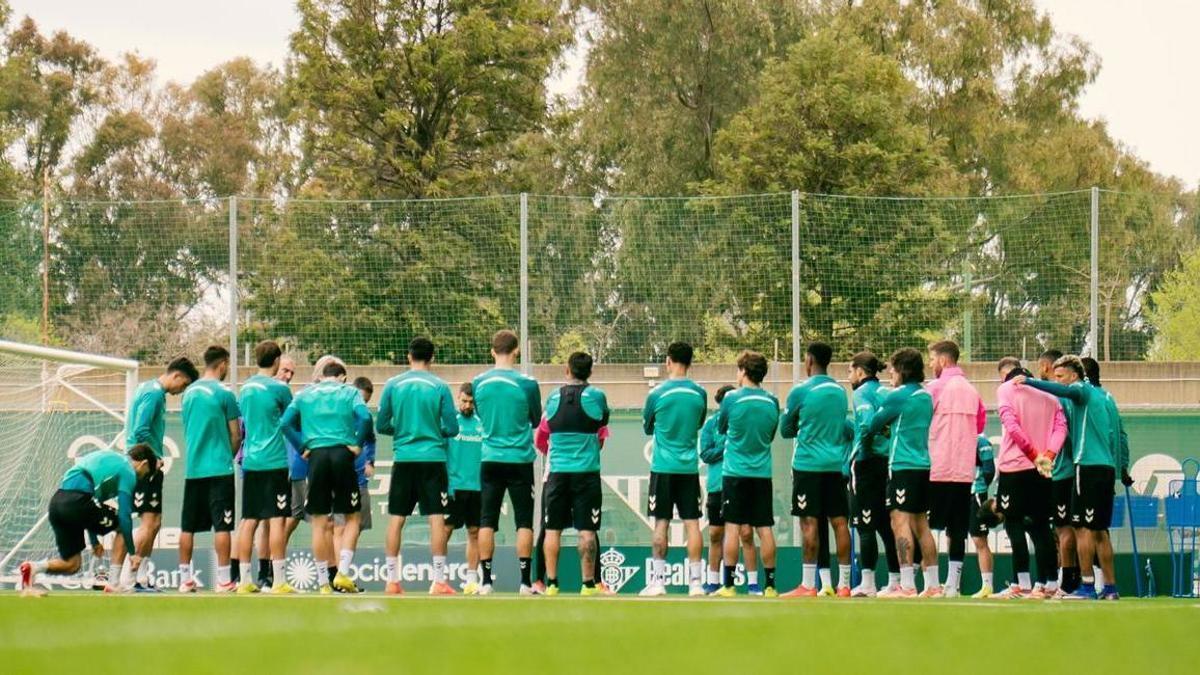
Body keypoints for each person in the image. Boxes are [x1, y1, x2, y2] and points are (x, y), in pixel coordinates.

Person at [376, 337, 459, 595]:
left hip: (404, 458)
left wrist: (403, 430)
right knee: (436, 518)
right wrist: (432, 430)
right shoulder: (440, 386)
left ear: (409, 356)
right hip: (433, 459)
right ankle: (439, 581)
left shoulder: (393, 384)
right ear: (432, 358)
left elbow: (381, 425)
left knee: (396, 518)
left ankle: (392, 580)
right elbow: (452, 428)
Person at [281, 359, 371, 594]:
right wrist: (358, 444)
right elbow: (365, 418)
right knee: (352, 518)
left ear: (322, 376)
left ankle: (323, 583)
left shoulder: (304, 394)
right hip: (342, 454)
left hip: (317, 457)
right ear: (342, 377)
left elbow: (285, 423)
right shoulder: (349, 392)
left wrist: (302, 447)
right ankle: (342, 573)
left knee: (319, 524)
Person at [19, 445, 159, 595]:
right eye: (145, 474)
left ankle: (33, 568)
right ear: (143, 463)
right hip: (76, 502)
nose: (141, 478)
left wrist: (94, 541)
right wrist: (132, 553)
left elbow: (92, 504)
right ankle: (113, 584)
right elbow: (124, 516)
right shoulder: (128, 470)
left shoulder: (112, 463)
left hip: (57, 504)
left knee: (72, 565)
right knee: (121, 526)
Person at [113, 356, 198, 592]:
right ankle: (129, 578)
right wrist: (152, 459)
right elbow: (140, 431)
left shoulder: (149, 389)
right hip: (143, 466)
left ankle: (141, 577)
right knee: (149, 523)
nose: (182, 390)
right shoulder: (153, 394)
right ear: (176, 375)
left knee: (155, 523)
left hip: (144, 464)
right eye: (184, 384)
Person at [863, 348, 938, 598]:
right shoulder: (925, 395)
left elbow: (873, 424)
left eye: (893, 370)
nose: (890, 375)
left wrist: (884, 427)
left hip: (902, 466)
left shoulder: (899, 395)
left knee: (899, 521)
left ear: (903, 370)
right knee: (921, 524)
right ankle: (933, 585)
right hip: (922, 465)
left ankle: (906, 585)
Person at [780, 342, 853, 598]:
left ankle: (808, 585)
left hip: (807, 466)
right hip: (834, 466)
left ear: (809, 360)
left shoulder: (800, 391)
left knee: (809, 523)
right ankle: (844, 585)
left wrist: (802, 425)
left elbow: (785, 429)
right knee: (840, 522)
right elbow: (844, 426)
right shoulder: (840, 391)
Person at [472, 329, 542, 595]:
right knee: (524, 521)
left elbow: (481, 414)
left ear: (492, 351)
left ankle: (486, 582)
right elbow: (536, 419)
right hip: (520, 459)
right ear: (516, 351)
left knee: (486, 520)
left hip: (490, 458)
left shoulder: (478, 382)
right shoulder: (528, 384)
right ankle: (524, 582)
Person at [537, 352, 610, 596]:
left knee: (552, 529)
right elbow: (602, 423)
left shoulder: (552, 397)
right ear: (590, 372)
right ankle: (588, 584)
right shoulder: (596, 396)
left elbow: (543, 433)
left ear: (567, 370)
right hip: (587, 474)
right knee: (587, 530)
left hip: (557, 473)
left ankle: (552, 584)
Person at [996, 356, 1068, 598]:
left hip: (1015, 469)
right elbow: (1061, 428)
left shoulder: (1005, 390)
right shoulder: (1049, 394)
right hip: (1042, 470)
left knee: (1013, 524)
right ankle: (1049, 583)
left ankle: (1023, 583)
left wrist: (1033, 454)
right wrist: (1047, 455)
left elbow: (1011, 425)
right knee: (1041, 526)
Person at [641, 341, 708, 596]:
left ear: (668, 361)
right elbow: (698, 423)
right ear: (690, 363)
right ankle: (696, 584)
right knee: (693, 524)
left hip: (663, 469)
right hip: (688, 469)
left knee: (661, 523)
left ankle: (658, 582)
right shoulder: (699, 393)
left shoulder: (656, 393)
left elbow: (648, 427)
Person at [714, 351, 780, 598]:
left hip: (734, 473)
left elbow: (721, 427)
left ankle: (729, 585)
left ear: (743, 371)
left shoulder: (731, 398)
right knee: (764, 528)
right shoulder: (772, 401)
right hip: (762, 474)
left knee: (732, 527)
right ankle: (770, 586)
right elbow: (771, 434)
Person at [178, 346, 242, 593]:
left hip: (193, 470)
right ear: (223, 363)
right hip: (219, 470)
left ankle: (185, 579)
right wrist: (227, 456)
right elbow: (236, 435)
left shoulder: (188, 394)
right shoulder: (225, 394)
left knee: (187, 527)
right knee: (223, 526)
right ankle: (224, 580)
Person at [925, 340, 986, 597]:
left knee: (923, 526)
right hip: (963, 471)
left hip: (936, 467)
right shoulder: (972, 391)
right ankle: (952, 585)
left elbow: (921, 420)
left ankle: (929, 584)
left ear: (942, 360)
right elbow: (980, 426)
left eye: (932, 359)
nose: (930, 364)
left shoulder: (934, 388)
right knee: (957, 529)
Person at [234, 341, 296, 594]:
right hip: (274, 461)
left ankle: (244, 581)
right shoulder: (280, 388)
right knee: (277, 520)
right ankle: (278, 580)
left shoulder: (245, 388)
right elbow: (291, 419)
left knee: (249, 520)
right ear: (277, 361)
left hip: (251, 460)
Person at [846, 351, 901, 598]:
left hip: (867, 464)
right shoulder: (887, 392)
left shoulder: (861, 393)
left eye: (850, 371)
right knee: (887, 526)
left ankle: (867, 583)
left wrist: (865, 452)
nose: (849, 376)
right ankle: (895, 581)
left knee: (865, 525)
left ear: (860, 371)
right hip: (888, 462)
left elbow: (867, 424)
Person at [1080, 357, 1131, 600]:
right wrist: (1122, 467)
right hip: (1108, 469)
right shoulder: (1109, 398)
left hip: (1090, 468)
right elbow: (1121, 435)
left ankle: (1087, 586)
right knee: (1100, 529)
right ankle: (1109, 587)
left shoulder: (1088, 398)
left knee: (1085, 529)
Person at [700, 385, 759, 595]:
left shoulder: (743, 423)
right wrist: (727, 445)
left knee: (746, 533)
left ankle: (753, 584)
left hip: (741, 482)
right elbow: (705, 453)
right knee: (715, 533)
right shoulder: (711, 424)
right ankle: (713, 581)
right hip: (717, 485)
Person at [333, 376, 376, 593]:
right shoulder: (341, 411)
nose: (363, 405)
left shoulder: (365, 417)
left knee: (354, 527)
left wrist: (370, 461)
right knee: (340, 527)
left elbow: (371, 439)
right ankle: (339, 576)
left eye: (366, 401)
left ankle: (342, 574)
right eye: (361, 399)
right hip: (342, 475)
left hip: (359, 479)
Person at [445, 382, 483, 594]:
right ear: (458, 399)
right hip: (454, 487)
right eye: (464, 401)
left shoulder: (482, 424)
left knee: (474, 532)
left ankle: (471, 580)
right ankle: (438, 577)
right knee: (446, 529)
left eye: (471, 402)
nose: (467, 405)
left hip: (477, 487)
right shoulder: (450, 423)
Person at [968, 434, 997, 597]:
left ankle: (987, 585)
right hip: (959, 491)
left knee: (979, 539)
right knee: (953, 536)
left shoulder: (981, 441)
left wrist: (980, 486)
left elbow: (989, 470)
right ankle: (952, 585)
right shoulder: (956, 437)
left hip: (976, 493)